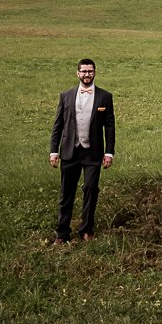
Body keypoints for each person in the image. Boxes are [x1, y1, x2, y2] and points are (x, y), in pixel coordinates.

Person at [49, 58, 115, 243]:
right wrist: (54, 151)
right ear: (77, 73)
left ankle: (86, 229)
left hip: (92, 152)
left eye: (90, 71)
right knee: (66, 192)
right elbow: (58, 126)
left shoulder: (105, 97)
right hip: (69, 151)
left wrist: (109, 152)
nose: (87, 74)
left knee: (91, 189)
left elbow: (110, 127)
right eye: (84, 71)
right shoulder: (66, 96)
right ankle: (62, 233)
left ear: (95, 73)